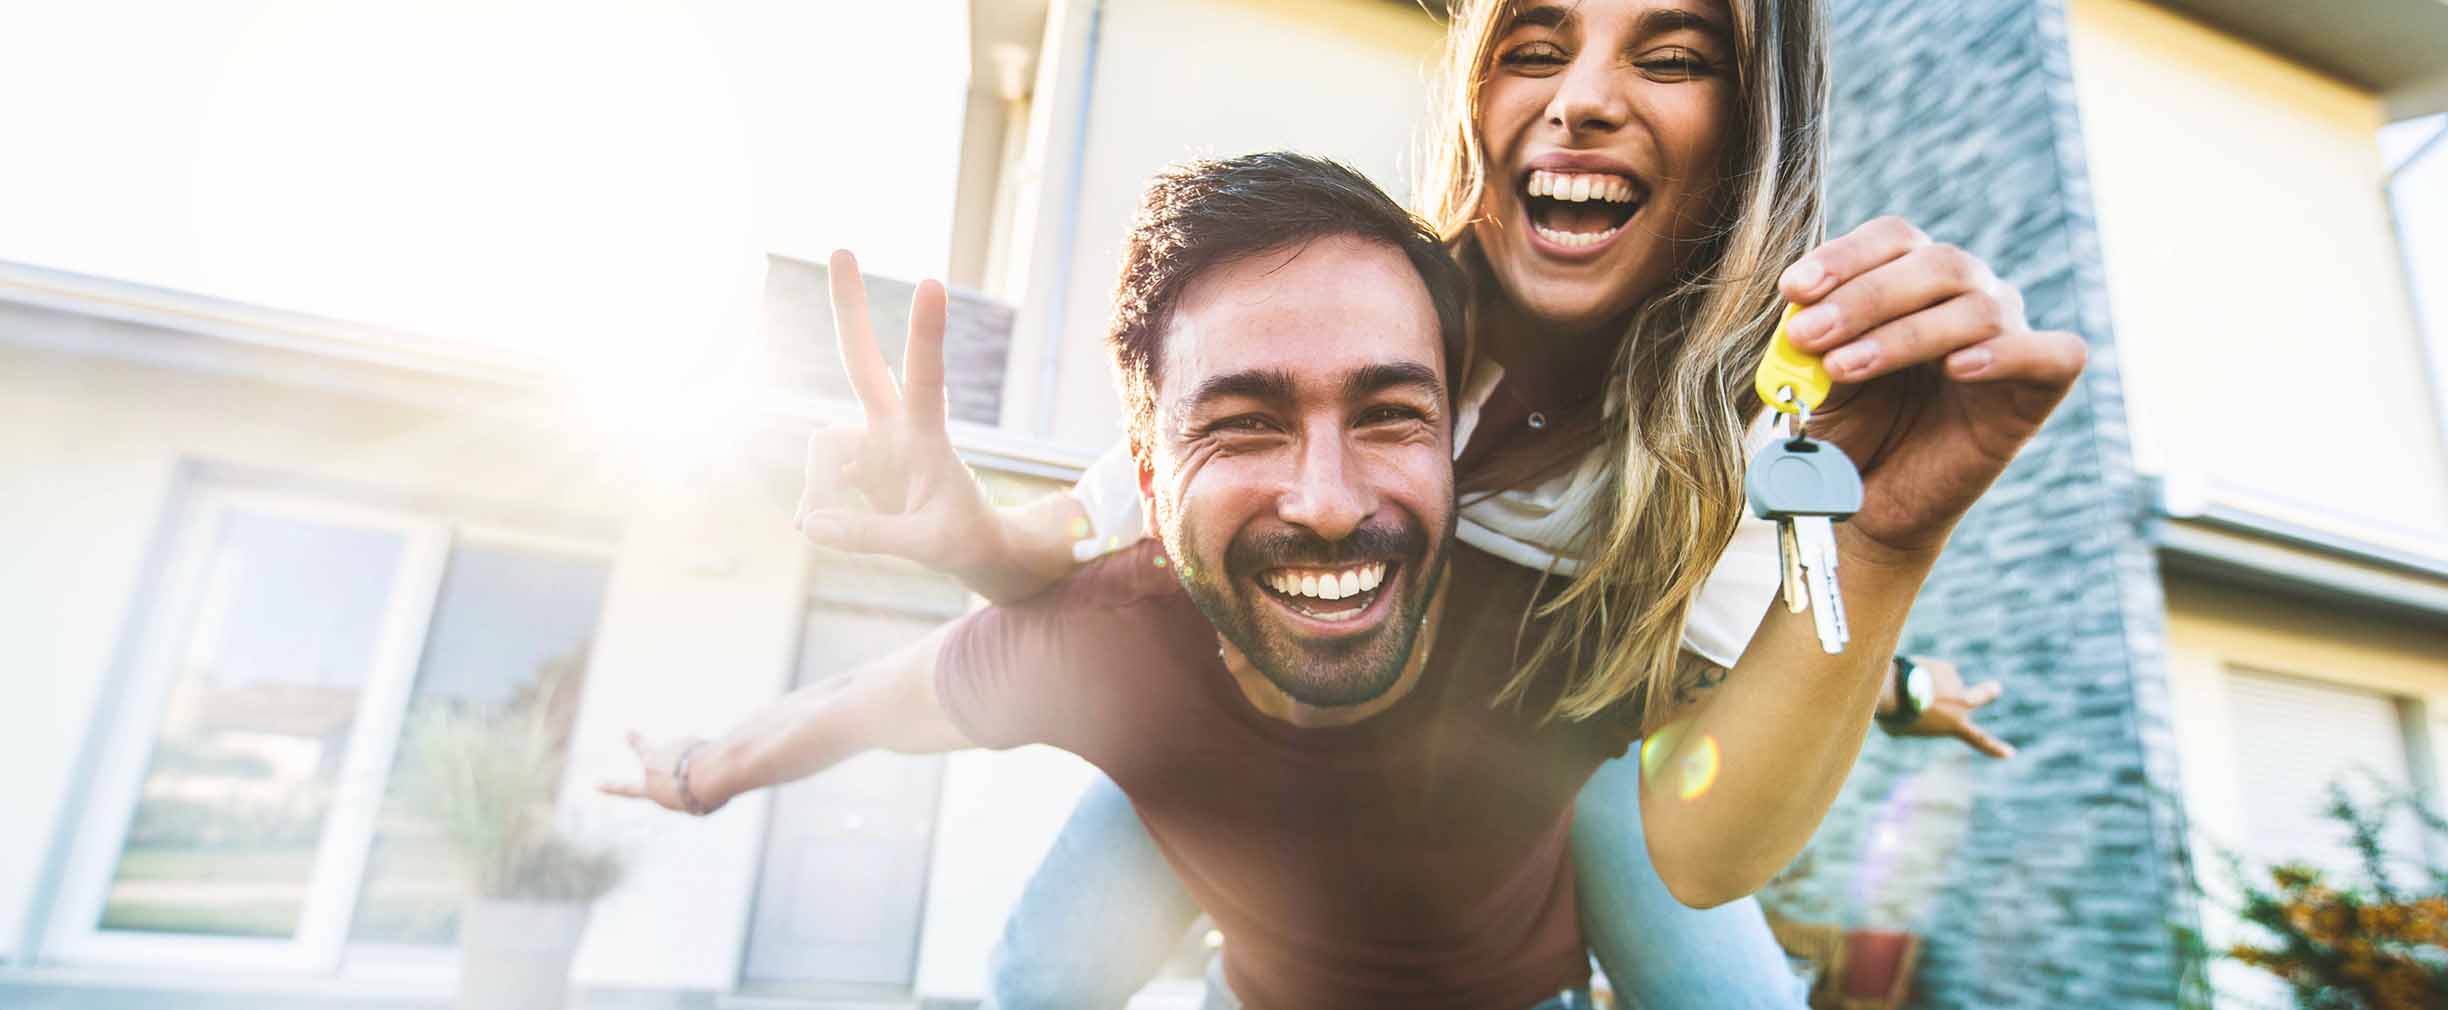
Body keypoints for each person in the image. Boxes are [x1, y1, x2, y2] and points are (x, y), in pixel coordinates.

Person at [777, 1, 2052, 1007]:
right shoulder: (1339, 305)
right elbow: (1064, 551)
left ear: (1746, 130)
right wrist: (970, 539)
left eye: (1669, 53)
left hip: (1495, 790)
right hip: (1256, 730)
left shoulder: (1740, 445)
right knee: (1038, 978)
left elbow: (1700, 821)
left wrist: (1885, 561)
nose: (1586, 98)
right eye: (1535, 45)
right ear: (1478, 96)